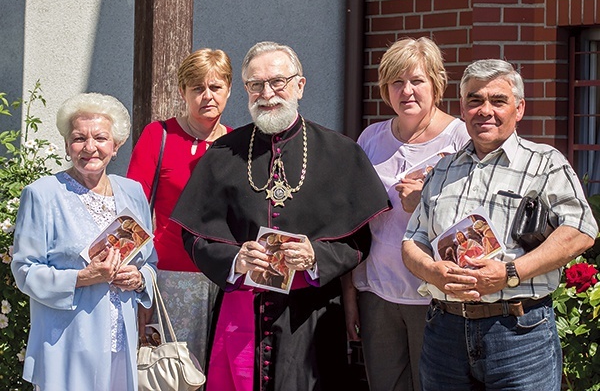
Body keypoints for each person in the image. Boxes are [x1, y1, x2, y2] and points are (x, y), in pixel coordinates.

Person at [171, 41, 390, 391]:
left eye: (278, 82)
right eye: (255, 85)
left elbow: (359, 238)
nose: (267, 93)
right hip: (242, 310)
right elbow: (194, 235)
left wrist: (316, 255)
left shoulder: (339, 152)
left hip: (312, 313)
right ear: (245, 90)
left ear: (299, 86)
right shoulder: (224, 153)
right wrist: (235, 259)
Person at [402, 59, 598, 390]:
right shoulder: (443, 170)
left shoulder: (545, 164)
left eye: (498, 100)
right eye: (475, 100)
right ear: (462, 108)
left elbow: (581, 231)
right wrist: (430, 271)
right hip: (445, 332)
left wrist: (510, 273)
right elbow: (412, 240)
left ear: (519, 109)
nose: (485, 110)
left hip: (519, 333)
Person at [342, 37, 470, 391]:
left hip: (435, 296)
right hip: (378, 293)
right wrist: (351, 295)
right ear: (385, 89)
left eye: (417, 80)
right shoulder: (371, 138)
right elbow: (352, 224)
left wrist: (426, 203)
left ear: (436, 84)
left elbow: (477, 219)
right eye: (397, 82)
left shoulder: (459, 138)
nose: (407, 91)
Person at [11, 93, 157, 390]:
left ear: (116, 146)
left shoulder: (133, 192)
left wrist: (139, 278)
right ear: (67, 146)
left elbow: (150, 261)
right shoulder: (42, 195)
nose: (90, 147)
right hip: (67, 339)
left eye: (101, 138)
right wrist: (82, 277)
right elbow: (25, 270)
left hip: (121, 339)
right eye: (79, 138)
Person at [127, 48, 233, 368]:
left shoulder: (238, 144)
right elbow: (131, 212)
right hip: (169, 278)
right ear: (182, 92)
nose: (207, 96)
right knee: (168, 375)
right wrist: (140, 284)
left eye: (215, 87)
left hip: (224, 279)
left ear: (229, 90)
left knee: (216, 376)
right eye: (197, 88)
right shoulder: (158, 135)